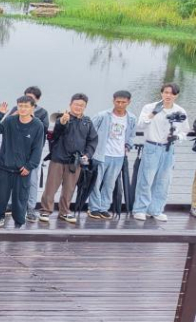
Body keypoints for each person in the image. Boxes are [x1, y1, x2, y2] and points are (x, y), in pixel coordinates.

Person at [38, 93, 97, 224]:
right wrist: (63, 121)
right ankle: (45, 210)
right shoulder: (63, 118)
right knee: (51, 187)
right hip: (58, 158)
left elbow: (92, 140)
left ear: (85, 107)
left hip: (75, 161)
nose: (78, 107)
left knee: (69, 188)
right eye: (76, 104)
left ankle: (64, 212)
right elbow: (57, 131)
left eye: (81, 105)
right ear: (70, 104)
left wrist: (87, 154)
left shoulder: (87, 122)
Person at [0, 96, 46, 229]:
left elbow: (37, 149)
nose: (23, 109)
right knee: (1, 195)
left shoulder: (38, 125)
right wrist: (0, 113)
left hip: (23, 169)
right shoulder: (9, 121)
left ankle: (19, 222)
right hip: (5, 166)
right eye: (20, 106)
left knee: (21, 197)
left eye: (26, 106)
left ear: (32, 108)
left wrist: (30, 166)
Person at [133, 83, 187, 221]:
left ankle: (155, 210)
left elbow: (185, 131)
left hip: (169, 148)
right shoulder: (149, 107)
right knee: (146, 179)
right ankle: (140, 209)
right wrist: (153, 113)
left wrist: (177, 137)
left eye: (172, 93)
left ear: (176, 96)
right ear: (161, 93)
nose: (169, 95)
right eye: (166, 92)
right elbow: (140, 125)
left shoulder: (180, 111)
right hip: (152, 146)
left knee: (164, 181)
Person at [87, 91, 136, 220]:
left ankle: (104, 207)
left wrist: (128, 146)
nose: (120, 104)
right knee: (96, 183)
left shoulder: (131, 118)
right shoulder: (103, 115)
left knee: (110, 184)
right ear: (113, 101)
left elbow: (131, 135)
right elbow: (89, 129)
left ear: (129, 102)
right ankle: (94, 208)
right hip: (101, 154)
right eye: (117, 102)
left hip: (119, 156)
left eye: (123, 102)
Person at [22, 86, 50, 222]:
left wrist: (31, 116)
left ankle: (30, 208)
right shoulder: (17, 110)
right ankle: (11, 205)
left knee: (32, 181)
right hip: (17, 152)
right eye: (26, 97)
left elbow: (44, 129)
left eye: (31, 98)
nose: (28, 100)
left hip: (33, 152)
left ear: (37, 100)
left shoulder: (42, 112)